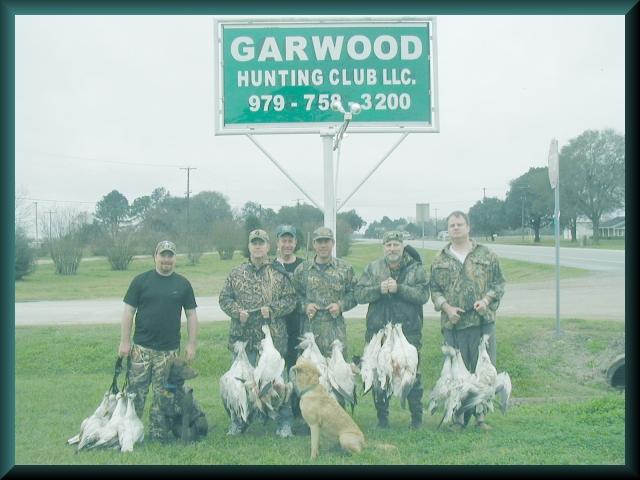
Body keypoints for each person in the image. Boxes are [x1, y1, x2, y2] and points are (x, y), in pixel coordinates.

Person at [429, 211, 506, 431]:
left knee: (483, 372)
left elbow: (499, 284)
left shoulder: (487, 254)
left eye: (459, 224)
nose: (455, 228)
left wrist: (486, 300)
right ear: (447, 229)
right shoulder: (439, 259)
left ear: (468, 227)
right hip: (454, 325)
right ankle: (458, 419)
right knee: (456, 375)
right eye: (451, 225)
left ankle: (481, 418)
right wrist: (446, 307)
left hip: (483, 324)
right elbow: (434, 290)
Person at [219, 229, 297, 437]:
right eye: (254, 243)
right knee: (240, 384)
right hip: (243, 339)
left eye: (261, 243)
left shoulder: (279, 273)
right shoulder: (236, 273)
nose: (257, 246)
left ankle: (284, 423)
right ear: (249, 247)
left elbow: (291, 301)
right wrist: (237, 312)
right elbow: (224, 299)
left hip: (272, 340)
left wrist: (272, 310)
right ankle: (239, 421)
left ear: (268, 247)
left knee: (277, 383)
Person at [118, 240, 199, 442]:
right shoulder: (141, 281)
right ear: (155, 256)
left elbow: (191, 316)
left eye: (170, 255)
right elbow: (128, 312)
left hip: (169, 352)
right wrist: (124, 341)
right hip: (141, 349)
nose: (166, 259)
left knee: (164, 395)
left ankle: (157, 433)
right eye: (163, 255)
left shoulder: (183, 284)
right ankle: (130, 432)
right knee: (135, 393)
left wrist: (191, 344)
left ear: (175, 258)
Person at [354, 231, 429, 429]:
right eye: (388, 245)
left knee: (411, 374)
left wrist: (400, 288)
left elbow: (423, 295)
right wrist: (379, 289)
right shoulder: (373, 268)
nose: (392, 248)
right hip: (378, 332)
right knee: (379, 374)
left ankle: (416, 419)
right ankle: (382, 420)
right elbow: (359, 294)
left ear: (403, 246)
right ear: (383, 247)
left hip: (408, 332)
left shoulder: (416, 268)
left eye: (396, 244)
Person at [292, 226, 357, 358]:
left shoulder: (345, 269)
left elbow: (356, 294)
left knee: (337, 374)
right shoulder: (302, 270)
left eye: (326, 241)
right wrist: (305, 306)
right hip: (309, 333)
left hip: (336, 334)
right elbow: (292, 296)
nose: (323, 245)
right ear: (314, 244)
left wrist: (340, 305)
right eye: (319, 241)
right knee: (310, 374)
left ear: (332, 243)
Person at [274, 225, 305, 370]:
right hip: (277, 324)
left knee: (295, 368)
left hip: (298, 324)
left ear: (295, 242)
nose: (287, 245)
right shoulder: (271, 266)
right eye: (283, 241)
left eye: (290, 241)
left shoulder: (304, 266)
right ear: (277, 243)